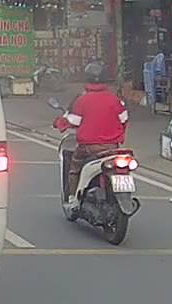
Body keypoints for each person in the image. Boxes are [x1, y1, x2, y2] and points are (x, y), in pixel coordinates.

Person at [53, 61, 129, 210]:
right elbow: (124, 119)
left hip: (89, 147)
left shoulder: (82, 100)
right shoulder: (114, 99)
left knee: (74, 167)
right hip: (112, 148)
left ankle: (72, 199)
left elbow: (73, 121)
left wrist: (59, 123)